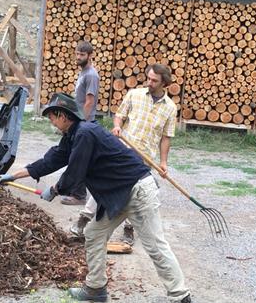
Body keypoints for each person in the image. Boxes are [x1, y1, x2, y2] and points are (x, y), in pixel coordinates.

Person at [0, 92, 198, 303]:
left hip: (137, 190)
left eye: (51, 116)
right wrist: (11, 176)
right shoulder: (72, 136)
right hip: (116, 195)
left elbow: (75, 173)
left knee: (155, 246)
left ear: (62, 115)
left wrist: (55, 189)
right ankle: (95, 288)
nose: (51, 121)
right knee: (93, 233)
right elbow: (50, 161)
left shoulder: (85, 134)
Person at [72, 63, 178, 246]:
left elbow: (166, 138)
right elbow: (119, 115)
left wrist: (163, 162)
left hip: (145, 158)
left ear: (164, 84)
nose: (150, 82)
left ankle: (129, 230)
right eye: (149, 78)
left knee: (134, 193)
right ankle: (83, 219)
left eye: (154, 80)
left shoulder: (170, 108)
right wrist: (118, 126)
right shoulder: (134, 95)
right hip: (122, 152)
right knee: (106, 183)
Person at [59, 40, 100, 206]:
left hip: (85, 122)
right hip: (80, 121)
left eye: (82, 55)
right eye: (77, 54)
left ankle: (79, 195)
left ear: (90, 56)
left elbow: (89, 101)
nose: (78, 57)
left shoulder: (91, 75)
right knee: (77, 157)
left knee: (79, 159)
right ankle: (76, 191)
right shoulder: (83, 72)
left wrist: (81, 122)